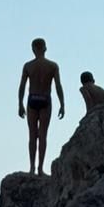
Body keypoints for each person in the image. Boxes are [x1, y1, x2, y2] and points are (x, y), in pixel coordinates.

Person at [18, 38, 65, 175]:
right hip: (45, 100)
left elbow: (22, 86)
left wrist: (20, 103)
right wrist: (62, 104)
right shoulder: (52, 66)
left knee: (32, 135)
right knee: (43, 135)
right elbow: (58, 86)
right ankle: (40, 168)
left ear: (33, 50)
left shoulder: (28, 66)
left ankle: (32, 167)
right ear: (45, 48)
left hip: (32, 99)